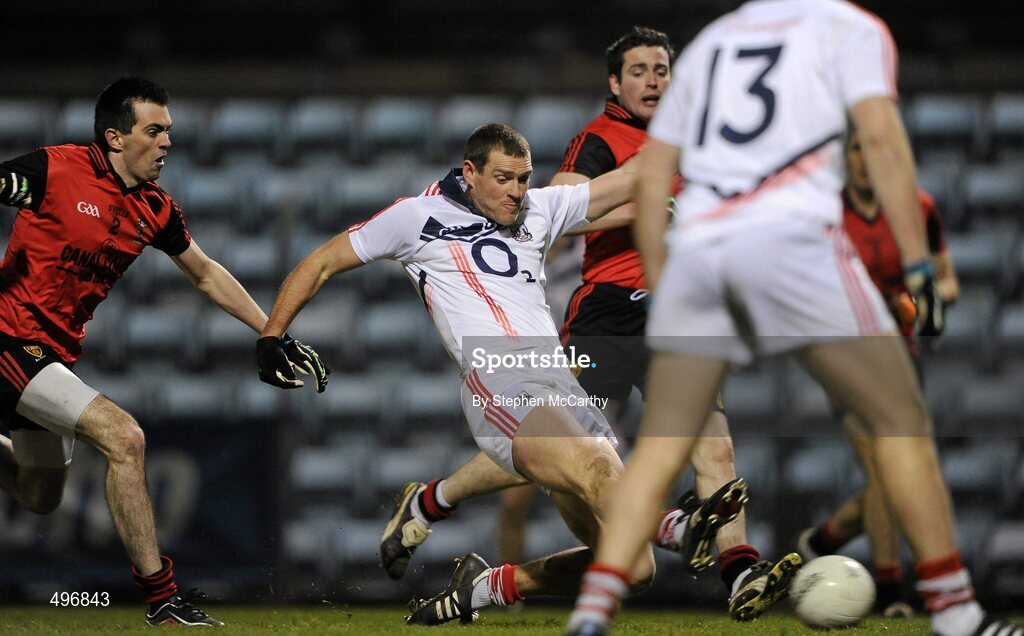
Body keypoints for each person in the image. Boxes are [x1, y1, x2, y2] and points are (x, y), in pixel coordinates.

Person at [567, 2, 1021, 635]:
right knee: (901, 420)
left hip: (701, 249)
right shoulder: (850, 27)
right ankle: (955, 612)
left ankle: (592, 613)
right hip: (790, 238)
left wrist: (671, 292)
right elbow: (884, 139)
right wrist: (919, 261)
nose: (651, 76)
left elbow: (654, 185)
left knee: (662, 448)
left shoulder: (710, 44)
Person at [257, 123, 751, 626]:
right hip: (501, 381)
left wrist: (712, 135)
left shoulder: (538, 209)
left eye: (523, 178)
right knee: (600, 474)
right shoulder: (417, 216)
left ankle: (486, 587)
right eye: (503, 178)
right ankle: (675, 527)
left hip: (563, 385)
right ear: (469, 173)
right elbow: (322, 262)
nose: (516, 191)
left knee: (632, 567)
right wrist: (273, 335)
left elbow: (629, 180)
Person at [0, 77, 328, 626]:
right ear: (114, 137)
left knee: (39, 496)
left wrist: (272, 330)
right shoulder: (56, 168)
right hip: (11, 339)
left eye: (168, 131)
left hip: (53, 356)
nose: (167, 143)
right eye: (154, 131)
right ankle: (162, 598)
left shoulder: (155, 209)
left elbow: (205, 274)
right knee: (124, 437)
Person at [550, 25, 799, 620]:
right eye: (638, 70)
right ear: (615, 82)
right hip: (607, 310)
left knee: (715, 449)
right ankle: (443, 508)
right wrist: (651, 202)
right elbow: (559, 212)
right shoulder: (599, 138)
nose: (653, 80)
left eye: (661, 69)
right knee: (559, 448)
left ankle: (740, 576)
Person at [798, 128, 961, 618]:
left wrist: (923, 302)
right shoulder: (824, 213)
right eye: (856, 148)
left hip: (899, 353)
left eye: (875, 148)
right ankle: (891, 593)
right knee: (879, 459)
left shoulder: (918, 208)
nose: (866, 159)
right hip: (843, 350)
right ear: (844, 157)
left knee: (893, 470)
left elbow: (946, 280)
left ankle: (827, 537)